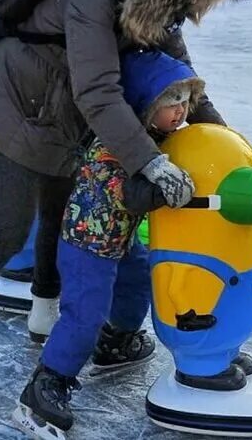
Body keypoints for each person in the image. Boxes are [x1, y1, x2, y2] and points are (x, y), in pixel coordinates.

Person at [0, 0, 248, 398]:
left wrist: (226, 145)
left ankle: (45, 312)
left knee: (59, 220)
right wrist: (151, 162)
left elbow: (180, 75)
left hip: (65, 119)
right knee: (9, 226)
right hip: (13, 108)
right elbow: (98, 92)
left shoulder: (153, 2)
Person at [13, 49, 204, 437]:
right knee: (85, 315)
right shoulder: (115, 143)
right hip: (87, 244)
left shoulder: (152, 137)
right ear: (145, 103)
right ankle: (45, 386)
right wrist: (166, 190)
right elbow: (131, 195)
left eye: (185, 102)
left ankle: (117, 341)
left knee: (137, 284)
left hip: (121, 237)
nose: (181, 111)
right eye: (171, 102)